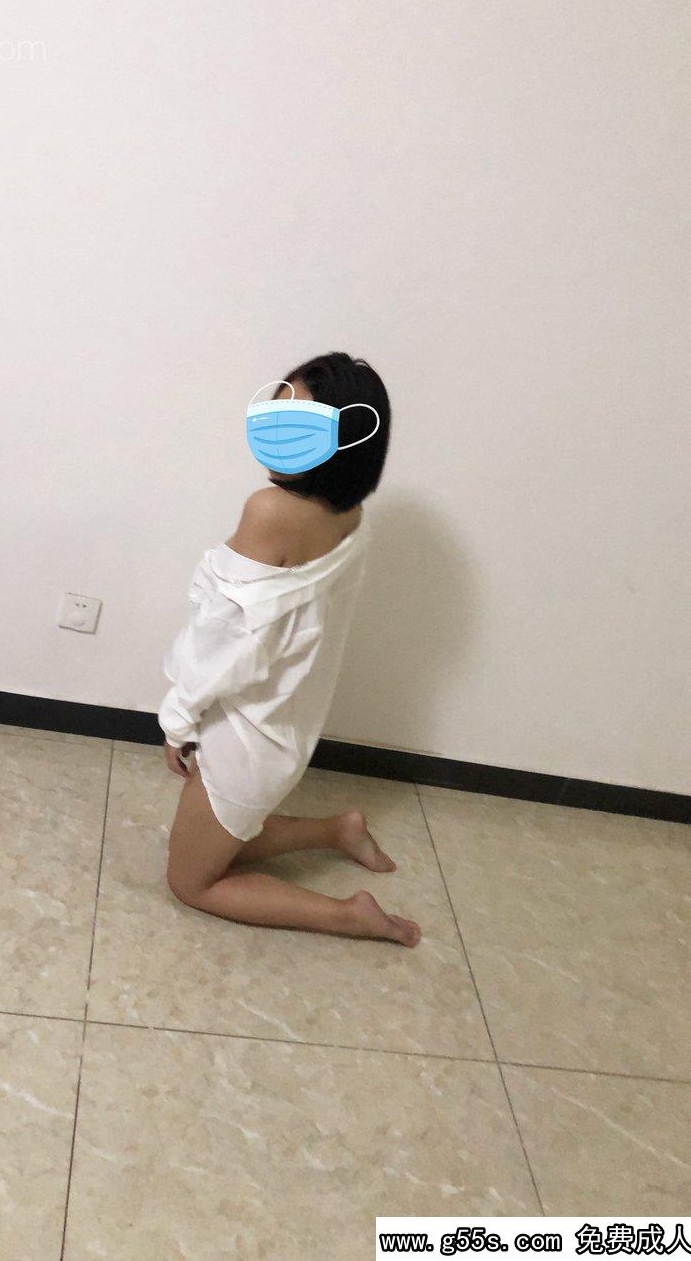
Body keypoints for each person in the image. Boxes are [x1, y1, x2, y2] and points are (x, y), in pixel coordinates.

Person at [157, 352, 421, 946]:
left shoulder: (271, 511)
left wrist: (179, 718)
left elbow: (223, 640)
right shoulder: (350, 514)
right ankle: (337, 830)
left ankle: (351, 915)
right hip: (287, 720)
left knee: (190, 880)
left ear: (346, 435)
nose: (278, 430)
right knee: (216, 831)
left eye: (300, 422)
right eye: (277, 413)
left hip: (246, 729)